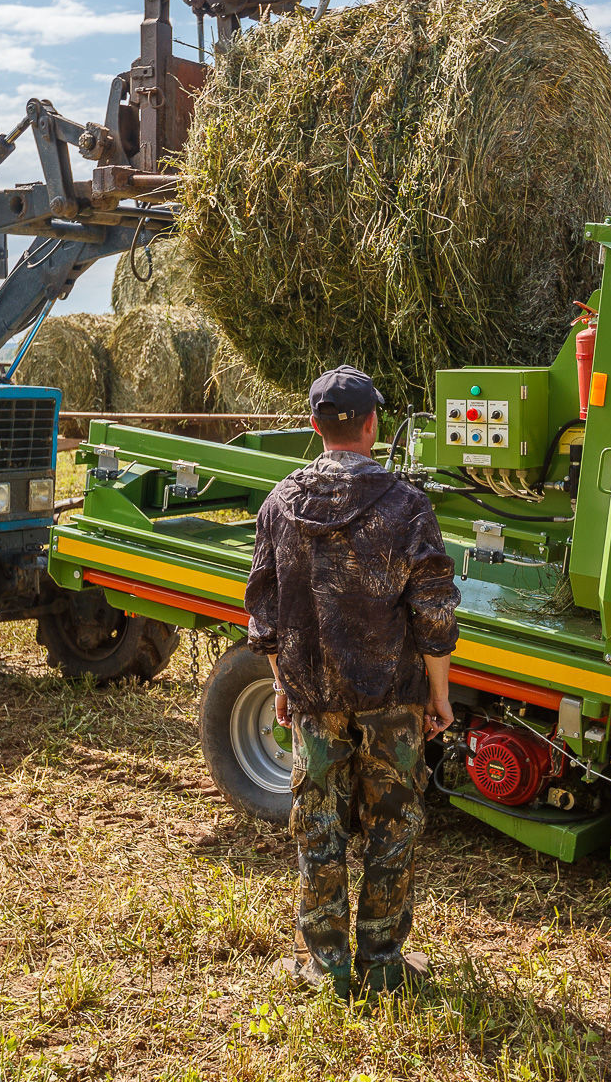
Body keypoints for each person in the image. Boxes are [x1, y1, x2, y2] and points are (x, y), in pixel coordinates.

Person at [247, 365, 460, 997]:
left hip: (313, 699)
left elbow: (263, 614)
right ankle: (384, 964)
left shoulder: (278, 504)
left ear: (315, 426)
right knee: (394, 826)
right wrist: (439, 694)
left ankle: (326, 967)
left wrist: (282, 684)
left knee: (318, 826)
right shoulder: (406, 505)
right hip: (392, 700)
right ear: (372, 426)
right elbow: (434, 613)